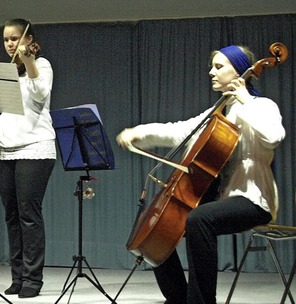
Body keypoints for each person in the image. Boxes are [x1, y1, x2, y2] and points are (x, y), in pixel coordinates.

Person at [116, 45, 285, 304]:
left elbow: (273, 136)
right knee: (157, 225)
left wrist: (245, 99)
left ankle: (202, 301)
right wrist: (138, 132)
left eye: (219, 67)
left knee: (199, 219)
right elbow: (178, 131)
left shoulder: (261, 105)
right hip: (220, 198)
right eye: (212, 66)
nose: (211, 72)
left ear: (240, 71)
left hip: (253, 200)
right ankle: (179, 297)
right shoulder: (219, 112)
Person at [0, 18, 56, 299]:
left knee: (28, 215)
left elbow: (40, 93)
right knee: (11, 216)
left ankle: (33, 279)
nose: (10, 44)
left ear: (29, 39)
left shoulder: (41, 65)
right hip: (3, 150)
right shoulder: (1, 72)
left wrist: (29, 60)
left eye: (15, 38)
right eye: (6, 39)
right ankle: (17, 276)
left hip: (34, 148)